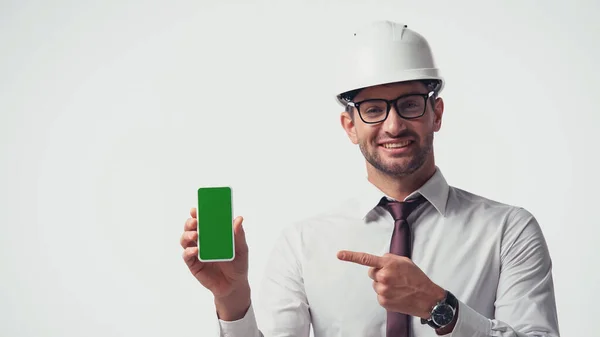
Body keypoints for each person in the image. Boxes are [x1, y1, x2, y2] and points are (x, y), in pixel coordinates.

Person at [180, 20, 560, 337]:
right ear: (349, 126)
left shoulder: (509, 230)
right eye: (373, 109)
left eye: (410, 104)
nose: (393, 125)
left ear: (437, 113)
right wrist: (232, 301)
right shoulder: (303, 243)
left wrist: (439, 307)